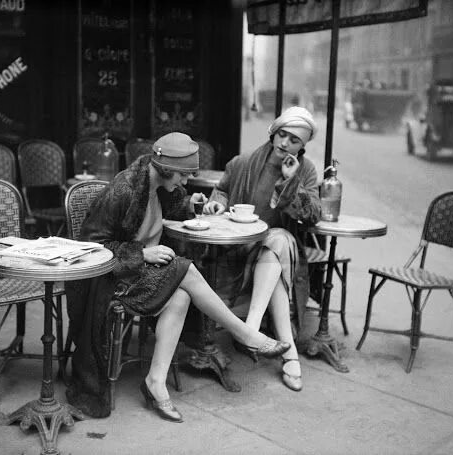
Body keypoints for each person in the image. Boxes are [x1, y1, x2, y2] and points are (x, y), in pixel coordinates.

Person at [65, 132, 290, 423]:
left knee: (182, 294)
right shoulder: (123, 189)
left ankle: (155, 382)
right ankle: (245, 333)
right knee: (185, 268)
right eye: (183, 176)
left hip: (141, 271)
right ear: (166, 168)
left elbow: (173, 206)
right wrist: (141, 254)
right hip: (112, 277)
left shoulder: (157, 182)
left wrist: (191, 203)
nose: (185, 182)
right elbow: (92, 246)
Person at [203, 106, 321, 392]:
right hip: (239, 251)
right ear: (273, 132)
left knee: (278, 239)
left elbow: (313, 215)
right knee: (275, 260)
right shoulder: (242, 163)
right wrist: (216, 202)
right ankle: (288, 353)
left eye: (294, 140)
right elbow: (221, 191)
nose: (285, 143)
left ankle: (251, 328)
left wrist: (291, 181)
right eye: (282, 135)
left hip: (277, 249)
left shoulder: (305, 171)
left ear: (302, 146)